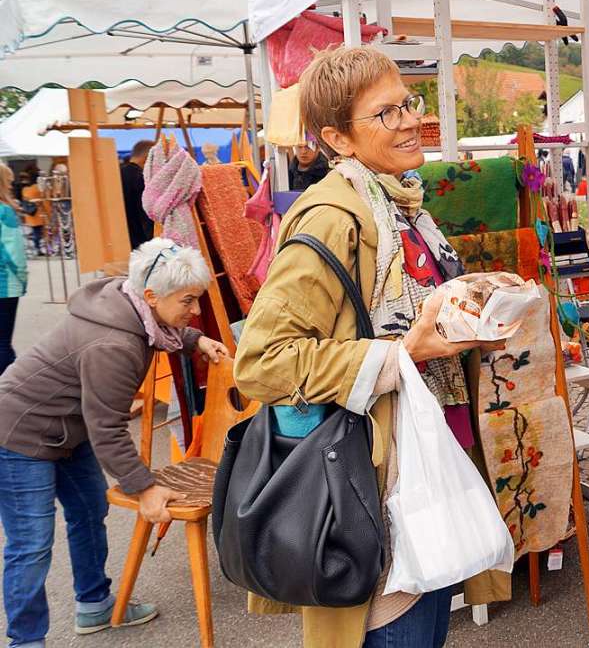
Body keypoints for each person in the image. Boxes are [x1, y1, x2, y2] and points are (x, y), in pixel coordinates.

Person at [234, 46, 507, 648]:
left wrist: (467, 315)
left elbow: (408, 321)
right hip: (375, 480)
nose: (410, 120)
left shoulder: (399, 205)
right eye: (386, 114)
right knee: (395, 629)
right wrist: (403, 354)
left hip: (422, 464)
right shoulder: (334, 217)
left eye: (408, 104)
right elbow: (260, 361)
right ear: (338, 138)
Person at [0, 239, 229, 647]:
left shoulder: (133, 301)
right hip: (19, 432)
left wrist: (194, 339)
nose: (195, 311)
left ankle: (94, 605)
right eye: (189, 301)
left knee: (89, 513)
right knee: (31, 543)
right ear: (151, 295)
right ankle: (26, 640)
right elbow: (106, 428)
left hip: (68, 429)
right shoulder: (114, 344)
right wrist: (146, 487)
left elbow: (161, 322)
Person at [0, 165, 27, 376]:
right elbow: (13, 253)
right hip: (5, 285)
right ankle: (10, 389)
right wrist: (22, 280)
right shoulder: (5, 212)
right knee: (2, 344)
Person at [120, 140, 155, 249]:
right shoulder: (142, 178)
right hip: (140, 244)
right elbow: (146, 216)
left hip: (120, 239)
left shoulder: (117, 174)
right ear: (147, 158)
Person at [17, 172, 46, 257]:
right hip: (38, 214)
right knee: (38, 232)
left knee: (35, 231)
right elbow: (43, 198)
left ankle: (36, 248)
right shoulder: (38, 188)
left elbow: (24, 199)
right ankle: (37, 248)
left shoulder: (25, 189)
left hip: (30, 214)